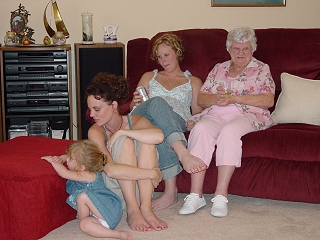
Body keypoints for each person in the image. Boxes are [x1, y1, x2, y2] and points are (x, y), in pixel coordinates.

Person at [179, 26, 275, 217]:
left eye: (245, 49)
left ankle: (221, 195)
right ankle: (196, 195)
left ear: (252, 49)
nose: (240, 53)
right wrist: (217, 99)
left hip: (246, 114)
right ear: (229, 49)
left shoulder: (261, 69)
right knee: (201, 129)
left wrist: (234, 99)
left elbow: (268, 100)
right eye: (236, 48)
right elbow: (201, 99)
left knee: (229, 132)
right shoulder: (219, 68)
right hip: (216, 112)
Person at [129, 33, 206, 210]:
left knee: (160, 129)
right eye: (159, 57)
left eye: (167, 55)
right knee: (156, 102)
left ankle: (171, 193)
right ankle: (182, 152)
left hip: (174, 120)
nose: (163, 60)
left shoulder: (193, 82)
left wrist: (194, 121)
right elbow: (134, 106)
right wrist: (135, 101)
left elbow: (197, 113)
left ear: (177, 52)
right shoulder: (149, 77)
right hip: (143, 117)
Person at [86, 72, 168, 232]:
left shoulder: (135, 120)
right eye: (90, 110)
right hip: (116, 191)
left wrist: (122, 133)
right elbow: (110, 170)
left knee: (146, 142)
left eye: (96, 109)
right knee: (125, 144)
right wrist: (151, 173)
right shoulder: (95, 131)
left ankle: (146, 208)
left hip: (140, 189)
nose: (92, 115)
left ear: (114, 106)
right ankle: (132, 210)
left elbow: (158, 136)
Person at [41, 140, 132, 240]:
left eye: (70, 159)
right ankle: (112, 233)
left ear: (82, 167)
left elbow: (64, 173)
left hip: (107, 211)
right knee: (84, 225)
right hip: (99, 218)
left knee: (83, 196)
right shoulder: (84, 169)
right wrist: (60, 159)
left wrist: (52, 161)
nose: (67, 161)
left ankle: (117, 235)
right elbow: (67, 157)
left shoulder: (88, 175)